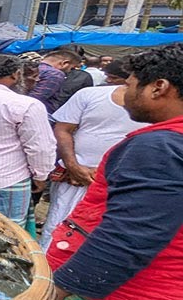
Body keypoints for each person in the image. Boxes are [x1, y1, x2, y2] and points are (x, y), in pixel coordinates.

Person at [41, 43, 183, 300]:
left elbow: (130, 236)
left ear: (159, 87)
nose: (123, 96)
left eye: (130, 84)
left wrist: (56, 293)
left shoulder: (159, 147)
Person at [40, 63, 149, 249]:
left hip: (121, 184)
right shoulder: (89, 94)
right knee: (58, 224)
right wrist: (73, 166)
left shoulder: (162, 112)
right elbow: (63, 129)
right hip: (76, 177)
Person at [0, 54, 54, 227]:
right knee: (5, 233)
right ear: (16, 74)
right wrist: (41, 175)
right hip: (6, 179)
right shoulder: (25, 104)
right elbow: (40, 147)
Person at [28, 49, 82, 113]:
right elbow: (36, 98)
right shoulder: (55, 74)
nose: (70, 71)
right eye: (72, 68)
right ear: (64, 63)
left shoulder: (28, 67)